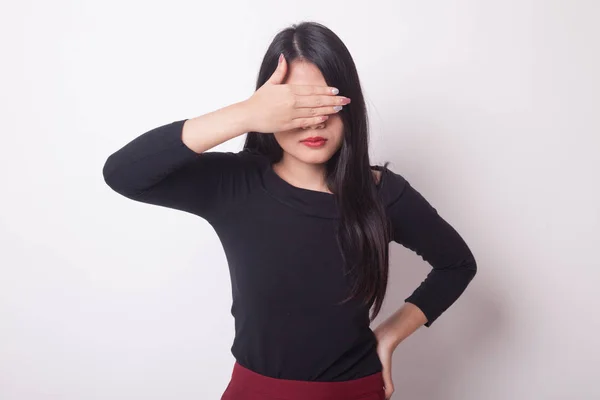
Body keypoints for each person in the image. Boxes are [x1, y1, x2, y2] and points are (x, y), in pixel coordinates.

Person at [102, 21, 477, 400]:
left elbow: (457, 265)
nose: (315, 120)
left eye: (327, 102)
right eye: (296, 106)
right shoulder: (235, 182)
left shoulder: (380, 193)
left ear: (350, 106)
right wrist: (244, 114)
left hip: (356, 391)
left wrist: (390, 335)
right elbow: (123, 174)